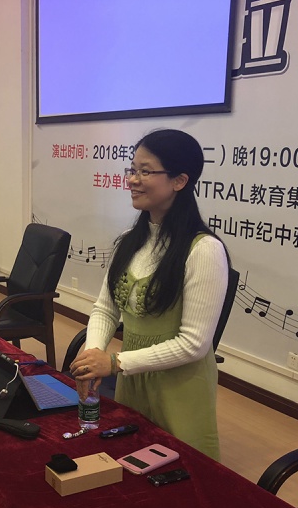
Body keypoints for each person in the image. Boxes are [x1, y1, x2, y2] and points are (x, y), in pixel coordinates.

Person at [70, 129, 229, 460]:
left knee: (181, 471)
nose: (132, 180)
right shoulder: (130, 240)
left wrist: (114, 362)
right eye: (132, 169)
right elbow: (105, 308)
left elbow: (194, 344)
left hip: (178, 386)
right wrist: (94, 355)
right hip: (132, 378)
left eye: (145, 171)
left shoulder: (204, 250)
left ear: (179, 181)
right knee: (131, 460)